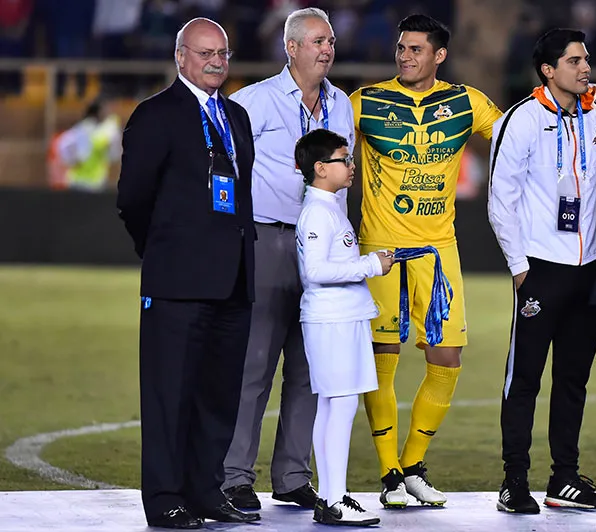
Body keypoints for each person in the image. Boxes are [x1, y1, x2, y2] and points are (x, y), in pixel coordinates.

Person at [349, 14, 502, 508]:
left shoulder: (465, 102)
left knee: (447, 358)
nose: (405, 56)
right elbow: (324, 154)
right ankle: (390, 473)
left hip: (439, 251)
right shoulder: (364, 102)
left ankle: (413, 464)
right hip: (381, 250)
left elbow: (514, 139)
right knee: (382, 358)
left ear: (439, 55)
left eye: (416, 49)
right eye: (401, 47)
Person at [116, 18, 259, 529]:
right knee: (169, 396)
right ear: (180, 57)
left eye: (223, 52)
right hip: (176, 280)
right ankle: (165, 498)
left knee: (218, 396)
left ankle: (205, 491)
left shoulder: (236, 116)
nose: (216, 61)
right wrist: (159, 250)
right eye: (205, 53)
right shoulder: (155, 115)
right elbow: (132, 198)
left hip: (234, 280)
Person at [221, 7, 354, 511]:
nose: (327, 49)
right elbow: (225, 169)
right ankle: (234, 475)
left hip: (324, 245)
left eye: (331, 41)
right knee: (254, 362)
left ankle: (293, 475)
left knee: (310, 366)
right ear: (291, 47)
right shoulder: (252, 101)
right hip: (270, 239)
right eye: (318, 41)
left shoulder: (342, 105)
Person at [488, 28, 596, 514]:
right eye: (574, 61)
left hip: (589, 268)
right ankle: (513, 481)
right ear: (548, 70)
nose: (586, 68)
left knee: (573, 380)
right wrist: (520, 269)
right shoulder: (520, 119)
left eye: (586, 59)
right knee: (524, 378)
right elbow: (501, 200)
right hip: (540, 268)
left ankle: (564, 477)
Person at [294, 128, 393, 526]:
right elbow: (315, 271)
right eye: (344, 159)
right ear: (320, 168)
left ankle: (331, 496)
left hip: (341, 316)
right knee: (342, 404)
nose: (352, 166)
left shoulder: (329, 206)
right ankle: (333, 500)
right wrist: (371, 265)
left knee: (333, 405)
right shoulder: (319, 212)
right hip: (332, 319)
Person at [57, 98, 122, 191]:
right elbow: (64, 147)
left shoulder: (103, 131)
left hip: (94, 182)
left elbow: (113, 155)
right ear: (97, 113)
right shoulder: (84, 130)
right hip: (81, 183)